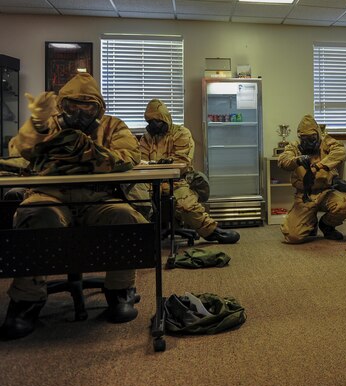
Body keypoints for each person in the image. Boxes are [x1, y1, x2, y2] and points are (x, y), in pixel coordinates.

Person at [0, 73, 147, 340]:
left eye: (87, 106)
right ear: (62, 105)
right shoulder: (47, 124)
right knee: (35, 216)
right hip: (51, 195)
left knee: (125, 217)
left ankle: (120, 291)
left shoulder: (113, 126)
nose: (79, 112)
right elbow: (19, 151)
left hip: (97, 198)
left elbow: (128, 156)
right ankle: (26, 300)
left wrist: (82, 151)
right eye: (72, 106)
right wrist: (37, 125)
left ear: (98, 108)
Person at [139, 99, 239, 244]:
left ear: (165, 119)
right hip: (150, 181)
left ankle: (210, 231)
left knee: (185, 204)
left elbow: (181, 163)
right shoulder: (146, 138)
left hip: (177, 180)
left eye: (157, 121)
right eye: (150, 121)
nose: (153, 125)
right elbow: (141, 162)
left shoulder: (181, 133)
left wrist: (160, 168)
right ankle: (141, 238)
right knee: (136, 200)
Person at [277, 114, 346, 243]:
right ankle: (310, 224)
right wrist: (297, 160)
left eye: (312, 138)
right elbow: (283, 160)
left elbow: (341, 152)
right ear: (299, 137)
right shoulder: (294, 147)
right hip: (305, 195)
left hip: (326, 192)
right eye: (304, 138)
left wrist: (319, 166)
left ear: (318, 134)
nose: (308, 141)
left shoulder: (327, 143)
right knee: (293, 236)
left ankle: (327, 225)